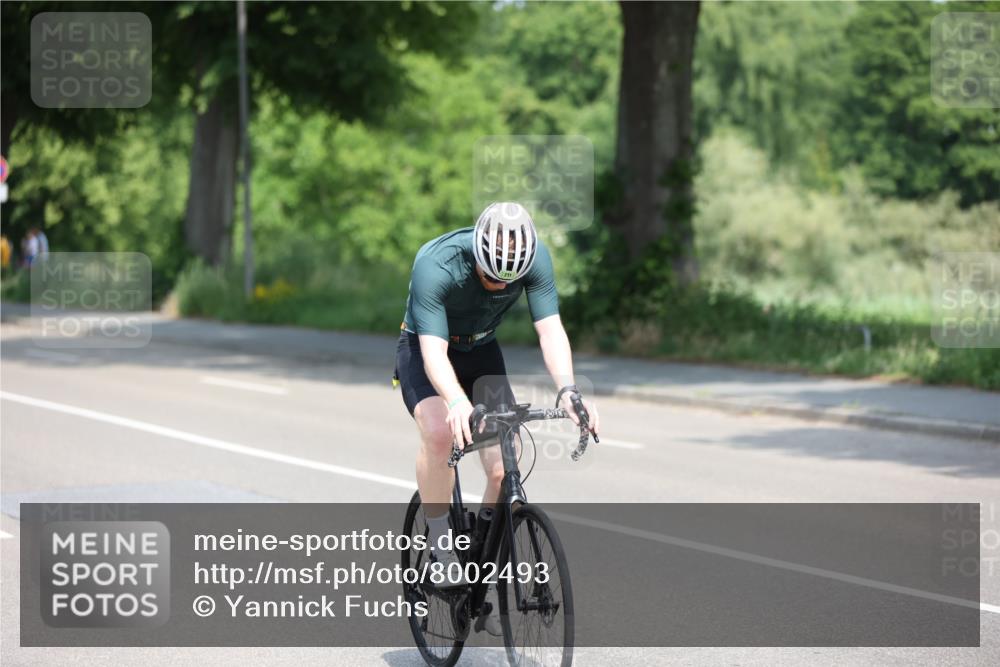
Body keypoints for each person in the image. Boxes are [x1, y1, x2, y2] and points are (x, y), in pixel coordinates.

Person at [394, 202, 600, 610]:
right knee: (438, 433)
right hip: (426, 348)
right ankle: (439, 543)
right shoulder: (436, 264)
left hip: (483, 349)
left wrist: (569, 391)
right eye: (489, 276)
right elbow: (433, 354)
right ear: (479, 255)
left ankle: (480, 548)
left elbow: (551, 330)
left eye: (508, 281)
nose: (497, 286)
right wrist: (455, 401)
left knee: (506, 463)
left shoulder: (535, 257)